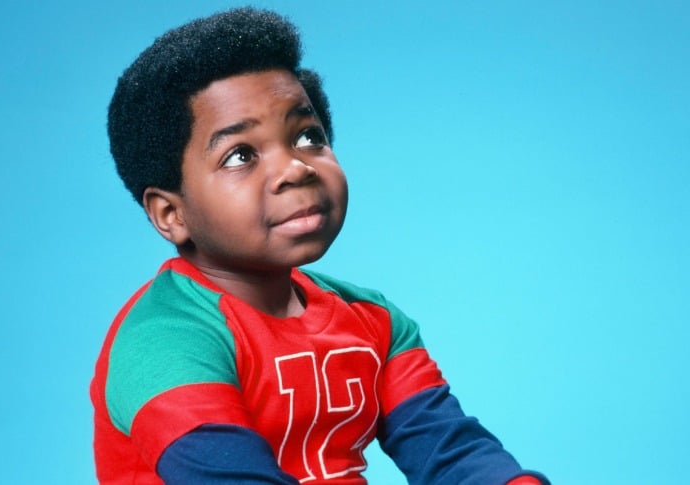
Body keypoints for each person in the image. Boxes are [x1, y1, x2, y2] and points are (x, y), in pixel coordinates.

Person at [90, 7, 549, 485]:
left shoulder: (372, 319)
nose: (296, 168)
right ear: (171, 213)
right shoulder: (163, 340)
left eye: (308, 136)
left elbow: (450, 452)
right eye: (240, 155)